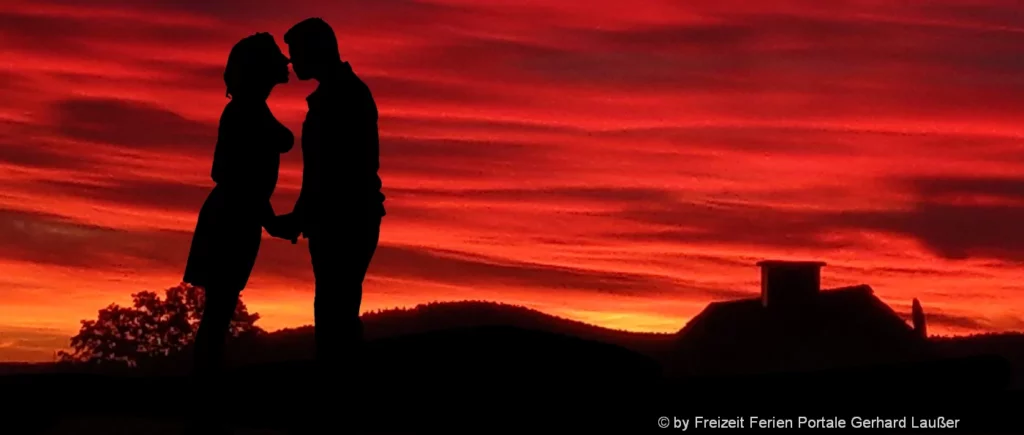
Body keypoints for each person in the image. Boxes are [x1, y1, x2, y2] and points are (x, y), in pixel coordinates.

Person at [181, 32, 295, 432]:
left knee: (219, 310)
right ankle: (205, 402)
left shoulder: (250, 110)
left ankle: (206, 398)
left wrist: (268, 218)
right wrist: (271, 219)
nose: (286, 64)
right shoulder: (245, 112)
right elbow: (232, 174)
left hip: (236, 216)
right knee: (217, 312)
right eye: (277, 60)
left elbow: (274, 147)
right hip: (231, 218)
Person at [273, 17, 385, 377]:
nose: (292, 63)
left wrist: (301, 215)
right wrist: (302, 215)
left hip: (345, 219)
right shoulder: (338, 93)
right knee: (337, 309)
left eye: (297, 54)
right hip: (342, 216)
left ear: (315, 51)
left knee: (335, 311)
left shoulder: (342, 96)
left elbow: (332, 170)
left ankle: (337, 398)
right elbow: (321, 172)